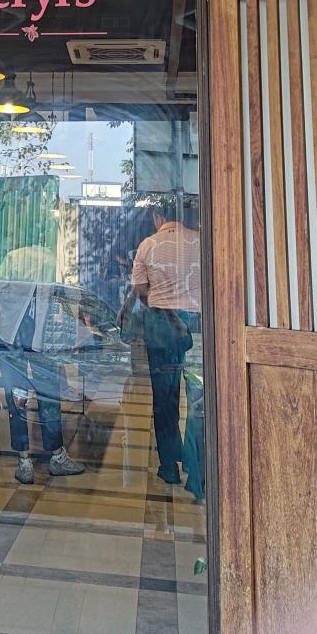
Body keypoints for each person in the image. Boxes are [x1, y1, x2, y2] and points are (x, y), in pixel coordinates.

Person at [129, 196, 200, 486]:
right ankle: (196, 466)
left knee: (165, 398)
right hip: (196, 323)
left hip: (161, 325)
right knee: (199, 396)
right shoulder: (199, 241)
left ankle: (169, 466)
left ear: (158, 217)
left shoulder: (148, 245)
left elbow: (139, 289)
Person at [0, 279, 86, 484]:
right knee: (40, 397)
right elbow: (74, 294)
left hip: (21, 333)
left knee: (26, 398)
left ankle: (30, 459)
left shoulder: (21, 261)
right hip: (30, 335)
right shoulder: (44, 263)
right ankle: (49, 457)